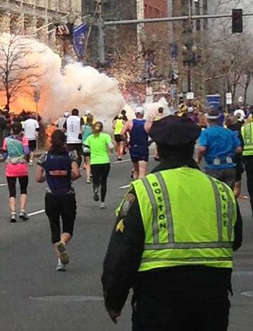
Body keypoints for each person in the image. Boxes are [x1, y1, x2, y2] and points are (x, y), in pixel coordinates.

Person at [102, 115, 242, 329]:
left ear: (158, 150)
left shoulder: (143, 191)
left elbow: (123, 252)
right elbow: (236, 239)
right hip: (212, 299)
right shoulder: (221, 190)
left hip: (158, 300)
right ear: (193, 147)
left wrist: (114, 300)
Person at [36, 130, 80, 271]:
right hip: (67, 194)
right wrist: (69, 176)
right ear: (64, 141)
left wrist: (47, 177)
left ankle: (60, 262)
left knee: (54, 227)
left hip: (51, 195)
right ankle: (63, 242)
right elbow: (77, 173)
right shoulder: (71, 155)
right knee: (68, 227)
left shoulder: (44, 157)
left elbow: (38, 178)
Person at [197, 106, 242, 188]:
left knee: (215, 194)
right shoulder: (229, 132)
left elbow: (202, 149)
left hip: (213, 167)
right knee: (229, 193)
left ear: (208, 120)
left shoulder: (206, 133)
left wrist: (198, 159)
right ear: (219, 119)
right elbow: (238, 149)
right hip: (229, 166)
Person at [2, 123, 30, 222]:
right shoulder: (24, 139)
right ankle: (22, 210)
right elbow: (26, 151)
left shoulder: (7, 140)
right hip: (21, 167)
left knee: (12, 191)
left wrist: (9, 157)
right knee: (23, 189)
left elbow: (4, 152)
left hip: (10, 167)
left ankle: (13, 213)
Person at [84, 122, 114, 209]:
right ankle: (102, 202)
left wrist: (89, 153)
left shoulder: (90, 138)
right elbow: (111, 146)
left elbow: (85, 149)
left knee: (96, 180)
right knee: (104, 181)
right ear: (102, 128)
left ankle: (95, 188)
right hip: (105, 161)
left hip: (94, 162)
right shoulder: (106, 136)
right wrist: (111, 151)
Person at [121, 107, 149, 179]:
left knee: (136, 170)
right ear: (143, 114)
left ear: (135, 114)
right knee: (142, 170)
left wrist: (126, 142)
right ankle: (141, 187)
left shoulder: (129, 123)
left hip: (133, 147)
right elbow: (155, 134)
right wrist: (150, 142)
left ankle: (134, 185)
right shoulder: (147, 123)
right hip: (143, 147)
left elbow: (122, 134)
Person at [81, 117, 94, 183]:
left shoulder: (83, 127)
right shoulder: (93, 128)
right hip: (91, 146)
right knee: (92, 161)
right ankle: (92, 174)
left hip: (84, 146)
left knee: (87, 162)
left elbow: (80, 134)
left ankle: (88, 178)